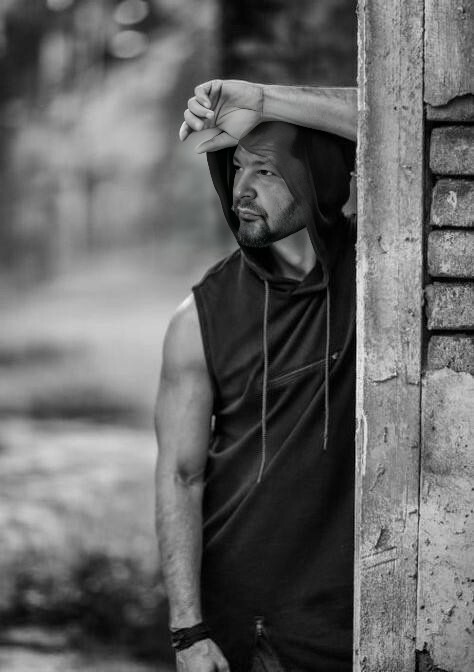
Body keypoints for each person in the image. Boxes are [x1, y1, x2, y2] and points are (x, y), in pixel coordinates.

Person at [155, 79, 357, 672]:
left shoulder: (380, 268)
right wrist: (187, 632)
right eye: (237, 167)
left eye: (266, 171)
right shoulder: (199, 317)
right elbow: (181, 476)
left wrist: (263, 101)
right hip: (251, 625)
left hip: (366, 615)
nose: (241, 189)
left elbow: (403, 121)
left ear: (318, 176)